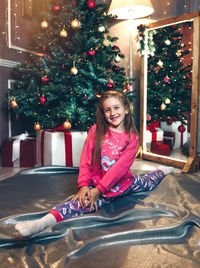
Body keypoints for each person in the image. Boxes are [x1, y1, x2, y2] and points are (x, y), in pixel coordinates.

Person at [15, 90, 174, 237]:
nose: (113, 113)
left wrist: (99, 190)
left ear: (126, 109)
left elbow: (118, 169)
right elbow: (85, 159)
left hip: (123, 183)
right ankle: (41, 223)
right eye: (107, 110)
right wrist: (83, 185)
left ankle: (161, 171)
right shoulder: (96, 130)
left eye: (116, 108)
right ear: (103, 113)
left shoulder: (132, 139)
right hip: (97, 185)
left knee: (147, 182)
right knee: (79, 204)